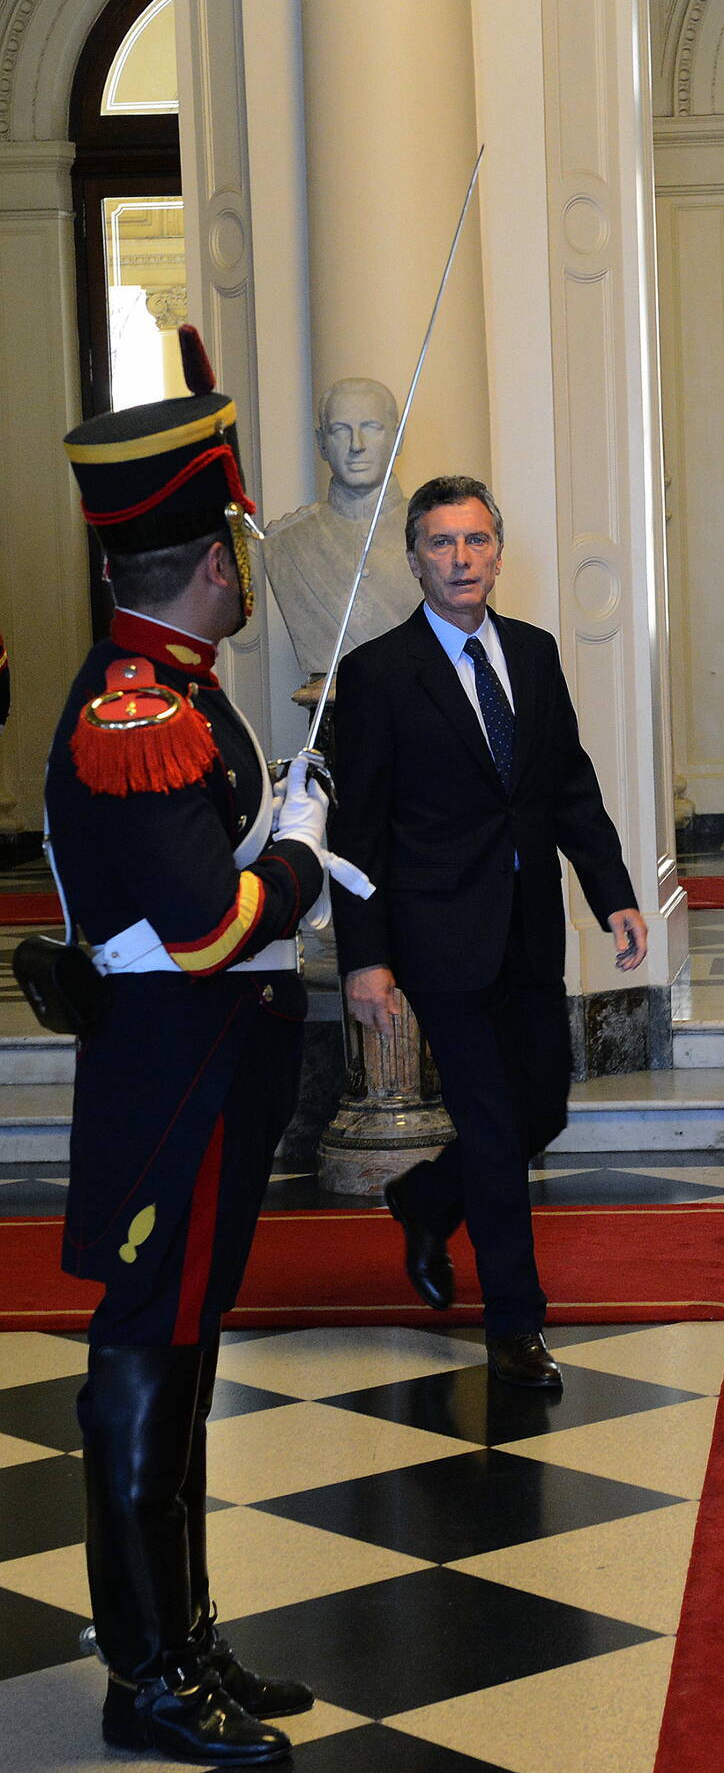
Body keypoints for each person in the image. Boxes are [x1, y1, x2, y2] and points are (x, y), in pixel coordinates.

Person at [50, 326, 369, 1764]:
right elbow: (202, 929)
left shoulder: (180, 689)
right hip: (168, 1074)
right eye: (235, 542)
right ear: (195, 562)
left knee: (185, 1355)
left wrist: (273, 809)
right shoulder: (135, 712)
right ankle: (143, 1677)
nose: (249, 564)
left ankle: (182, 1634)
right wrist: (295, 861)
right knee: (143, 1358)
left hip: (205, 1071)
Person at [330, 475, 648, 1389]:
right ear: (415, 557)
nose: (461, 560)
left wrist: (614, 893)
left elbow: (568, 788)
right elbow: (360, 834)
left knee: (541, 1103)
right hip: (438, 938)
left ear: (499, 552)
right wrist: (368, 957)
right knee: (496, 1124)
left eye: (475, 542)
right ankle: (515, 1326)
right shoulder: (380, 674)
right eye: (441, 544)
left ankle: (426, 1196)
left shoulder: (536, 655)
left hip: (530, 928)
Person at [262, 377, 422, 678]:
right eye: (340, 431)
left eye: (370, 428)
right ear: (322, 442)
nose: (356, 446)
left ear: (397, 439)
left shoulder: (432, 530)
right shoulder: (285, 541)